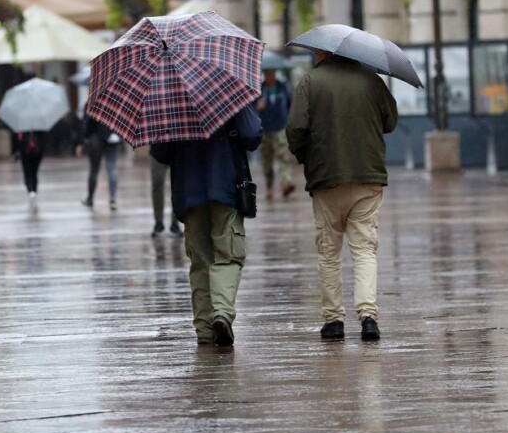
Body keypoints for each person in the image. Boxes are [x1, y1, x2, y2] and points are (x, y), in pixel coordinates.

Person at [287, 50, 398, 342]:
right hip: (367, 175)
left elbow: (296, 128)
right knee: (364, 249)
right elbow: (390, 122)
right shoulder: (371, 80)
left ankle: (334, 320)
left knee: (329, 252)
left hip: (327, 178)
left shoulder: (310, 81)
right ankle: (368, 317)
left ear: (323, 51)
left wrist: (305, 156)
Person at [152, 103, 261, 347]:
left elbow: (160, 153)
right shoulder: (228, 91)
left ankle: (204, 329)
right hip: (226, 186)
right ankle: (221, 314)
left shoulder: (169, 99)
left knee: (200, 261)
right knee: (228, 255)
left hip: (188, 189)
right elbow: (252, 134)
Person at [256, 68, 294, 200]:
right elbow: (252, 109)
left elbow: (290, 103)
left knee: (283, 155)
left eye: (272, 72)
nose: (270, 75)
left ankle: (286, 183)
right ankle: (269, 187)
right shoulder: (260, 89)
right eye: (267, 73)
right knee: (267, 160)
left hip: (280, 127)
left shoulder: (282, 87)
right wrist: (258, 106)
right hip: (265, 128)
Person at [149, 157, 181, 237]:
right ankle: (158, 223)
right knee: (157, 184)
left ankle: (175, 223)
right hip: (158, 148)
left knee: (177, 184)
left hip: (177, 149)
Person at [14, 130, 45, 205]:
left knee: (31, 172)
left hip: (32, 152)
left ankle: (32, 189)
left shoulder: (22, 130)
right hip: (29, 152)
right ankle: (32, 189)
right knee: (30, 172)